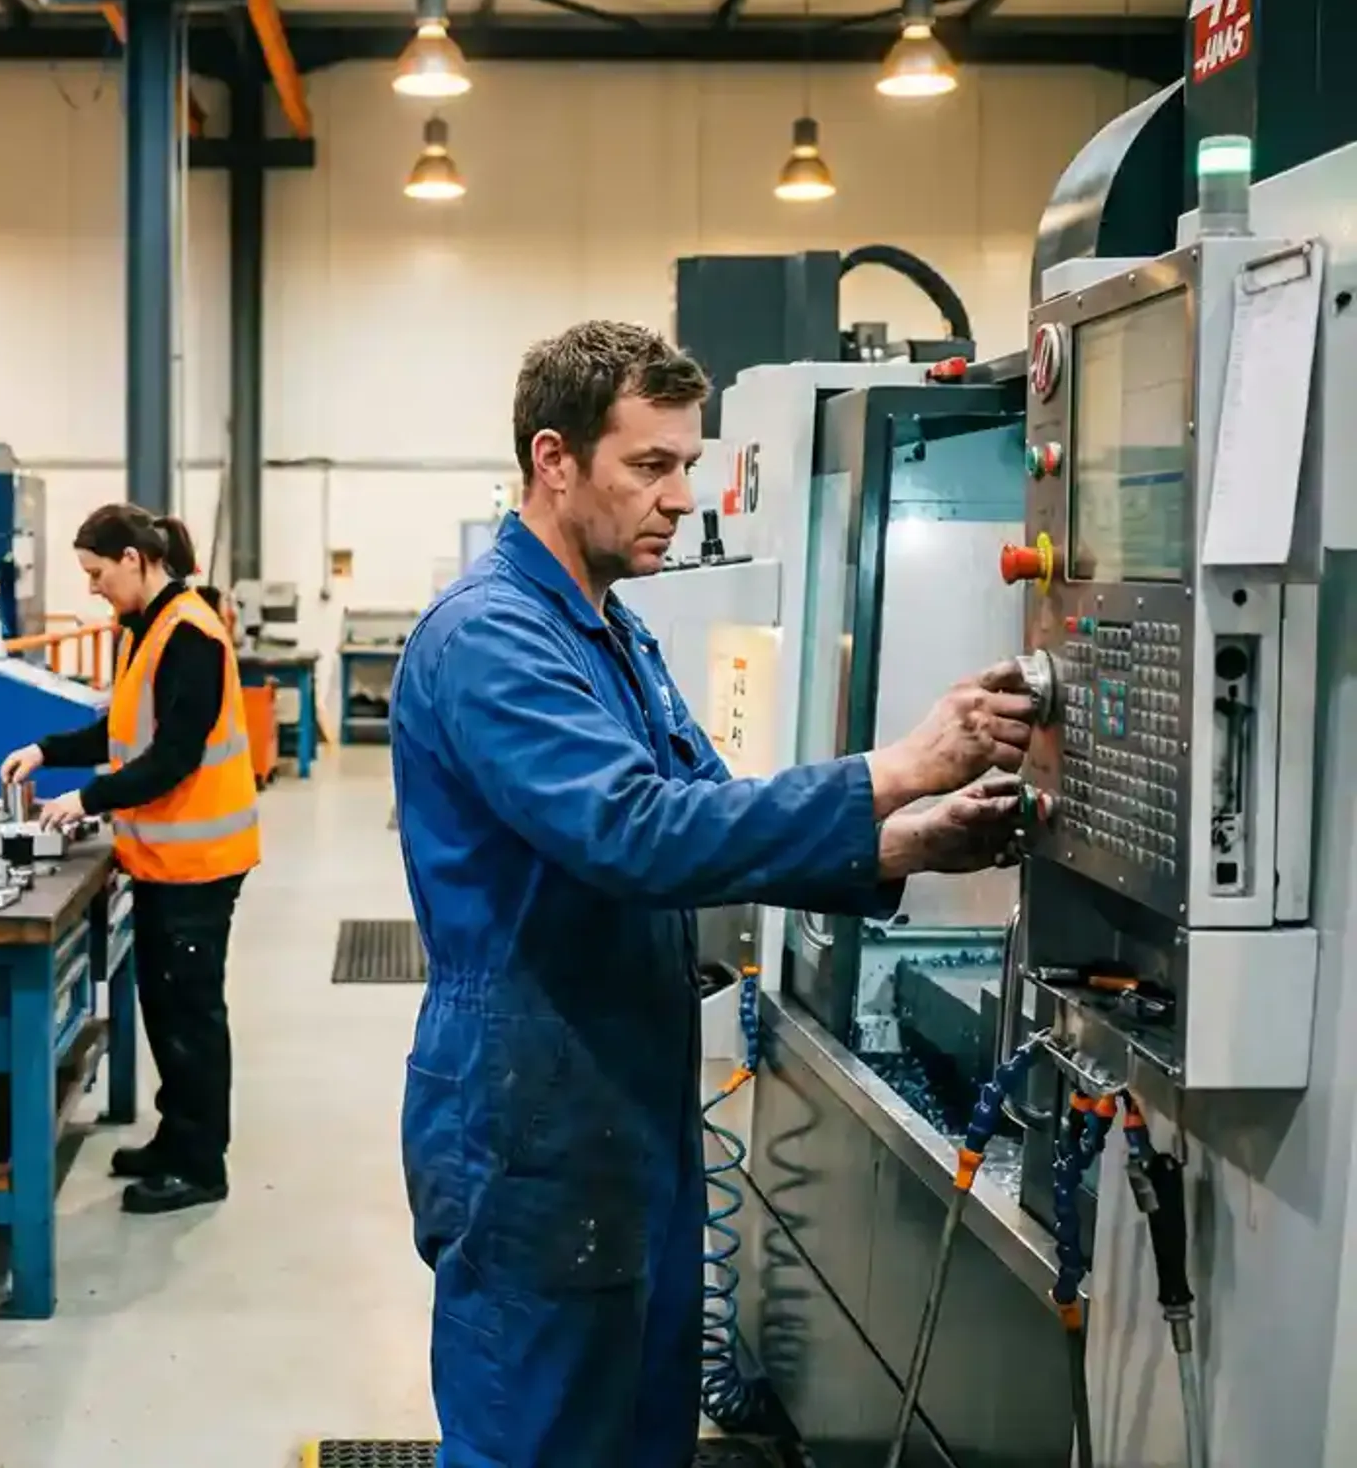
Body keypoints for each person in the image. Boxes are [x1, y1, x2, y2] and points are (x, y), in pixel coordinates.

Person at [390, 321, 1037, 1466]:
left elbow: (708, 817)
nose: (680, 496)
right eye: (650, 465)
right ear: (553, 460)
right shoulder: (492, 636)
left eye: (686, 464)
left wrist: (906, 842)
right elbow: (632, 833)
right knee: (533, 1438)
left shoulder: (611, 632)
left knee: (641, 1433)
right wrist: (898, 767)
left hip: (618, 1096)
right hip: (527, 1109)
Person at [0, 503, 259, 1215]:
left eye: (96, 573)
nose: (91, 589)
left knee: (192, 1013)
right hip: (159, 861)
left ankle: (202, 1163)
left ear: (136, 561)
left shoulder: (193, 635)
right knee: (163, 1007)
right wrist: (49, 751)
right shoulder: (146, 629)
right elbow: (120, 729)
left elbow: (173, 756)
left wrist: (85, 799)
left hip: (201, 861)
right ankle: (176, 1139)